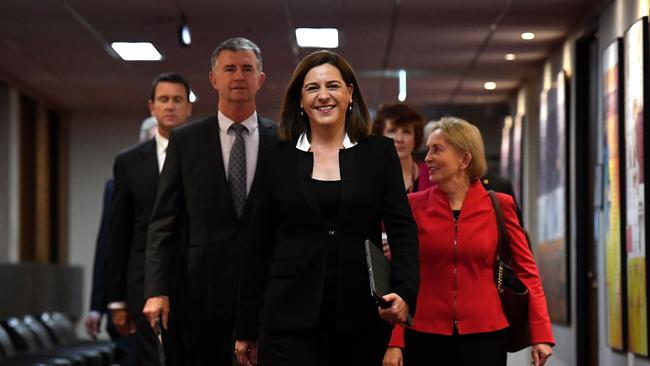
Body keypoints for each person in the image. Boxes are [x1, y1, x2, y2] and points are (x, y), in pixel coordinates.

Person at [234, 50, 419, 366]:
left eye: (332, 86)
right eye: (312, 88)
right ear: (301, 101)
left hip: (361, 319)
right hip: (287, 319)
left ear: (349, 93)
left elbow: (403, 231)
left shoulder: (379, 154)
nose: (323, 96)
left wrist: (404, 291)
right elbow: (256, 246)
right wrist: (246, 327)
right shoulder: (276, 158)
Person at [142, 37, 278, 365]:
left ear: (260, 79)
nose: (238, 76)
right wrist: (156, 289)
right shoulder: (186, 141)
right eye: (229, 68)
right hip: (200, 291)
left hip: (268, 291)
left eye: (248, 69)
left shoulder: (283, 140)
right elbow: (164, 221)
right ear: (213, 79)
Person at [382, 117, 553, 366]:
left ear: (465, 159)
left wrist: (541, 334)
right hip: (423, 333)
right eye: (428, 149)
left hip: (486, 335)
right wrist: (394, 341)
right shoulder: (413, 206)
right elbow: (396, 277)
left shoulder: (500, 206)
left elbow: (529, 274)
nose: (427, 157)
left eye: (437, 149)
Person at [106, 73, 192, 365]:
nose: (170, 106)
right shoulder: (129, 161)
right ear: (151, 107)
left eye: (177, 100)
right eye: (164, 100)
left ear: (189, 107)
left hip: (193, 279)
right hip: (141, 282)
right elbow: (117, 232)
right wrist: (116, 300)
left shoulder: (204, 154)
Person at [373, 103, 425, 193]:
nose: (399, 138)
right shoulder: (367, 176)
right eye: (392, 131)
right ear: (380, 136)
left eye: (406, 132)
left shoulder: (432, 176)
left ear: (416, 138)